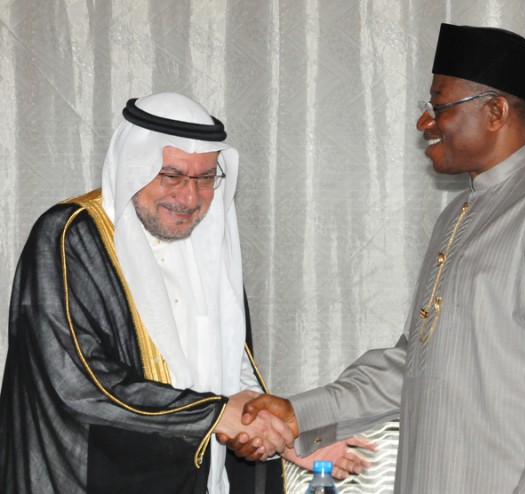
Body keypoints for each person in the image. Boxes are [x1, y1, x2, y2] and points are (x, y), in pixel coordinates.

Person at [227, 24, 525, 493]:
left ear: (495, 111)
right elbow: (419, 365)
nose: (424, 123)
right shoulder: (459, 214)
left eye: (438, 107)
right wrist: (298, 412)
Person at [0, 92, 366, 494]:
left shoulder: (208, 242)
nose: (190, 198)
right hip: (97, 475)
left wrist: (288, 439)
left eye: (206, 178)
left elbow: (232, 368)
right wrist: (212, 416)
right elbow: (77, 379)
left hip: (197, 478)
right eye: (171, 176)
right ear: (134, 167)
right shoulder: (72, 236)